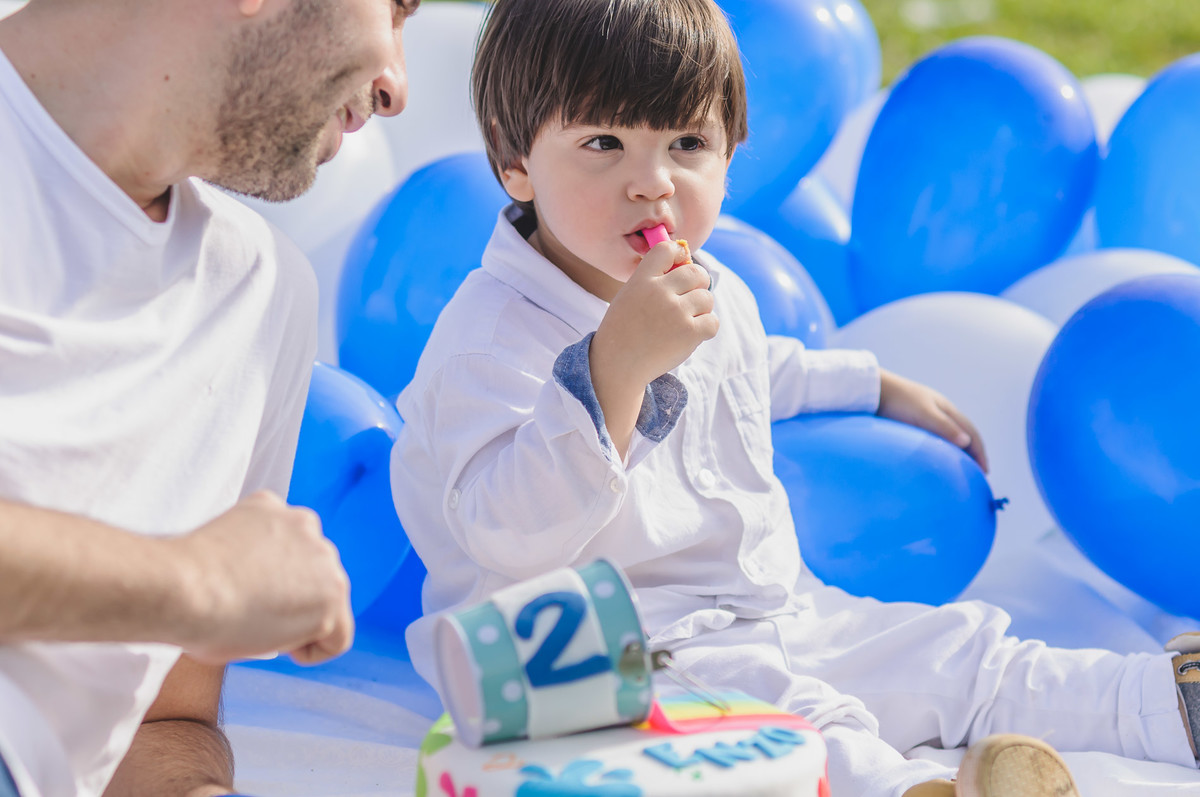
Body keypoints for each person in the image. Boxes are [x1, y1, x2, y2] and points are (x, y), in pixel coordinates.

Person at [390, 0, 1200, 795]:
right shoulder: (489, 338)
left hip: (760, 605)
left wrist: (871, 383)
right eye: (604, 142)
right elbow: (505, 530)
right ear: (515, 160)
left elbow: (755, 370)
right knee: (795, 718)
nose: (653, 183)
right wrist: (611, 373)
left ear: (731, 155)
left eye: (688, 143)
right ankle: (914, 788)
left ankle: (1164, 705)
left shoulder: (710, 287)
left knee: (952, 651)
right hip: (580, 658)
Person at [0, 0, 418, 795]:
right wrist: (191, 581)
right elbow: (193, 589)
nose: (396, 84)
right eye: (395, 7)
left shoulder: (263, 295)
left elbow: (163, 723)